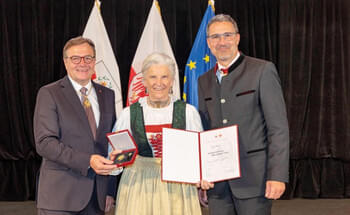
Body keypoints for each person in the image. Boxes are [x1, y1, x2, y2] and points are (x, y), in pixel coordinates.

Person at [198, 14, 289, 215]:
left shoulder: (262, 71)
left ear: (237, 38)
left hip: (255, 180)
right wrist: (202, 174)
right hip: (218, 185)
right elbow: (204, 131)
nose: (222, 42)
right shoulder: (203, 80)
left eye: (227, 35)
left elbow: (278, 128)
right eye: (215, 37)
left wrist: (278, 175)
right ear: (208, 43)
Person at [109, 52, 203, 215]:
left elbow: (199, 155)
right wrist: (116, 160)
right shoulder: (128, 114)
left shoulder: (188, 112)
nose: (158, 83)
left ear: (172, 80)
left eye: (164, 77)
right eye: (153, 77)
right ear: (144, 81)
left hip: (177, 186)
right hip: (138, 185)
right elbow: (115, 160)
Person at [33, 36, 117, 215]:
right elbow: (45, 143)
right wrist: (88, 161)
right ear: (65, 62)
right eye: (75, 58)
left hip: (97, 198)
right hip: (60, 198)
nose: (82, 63)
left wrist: (110, 190)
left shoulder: (108, 95)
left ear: (94, 62)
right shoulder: (50, 93)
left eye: (88, 58)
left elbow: (111, 143)